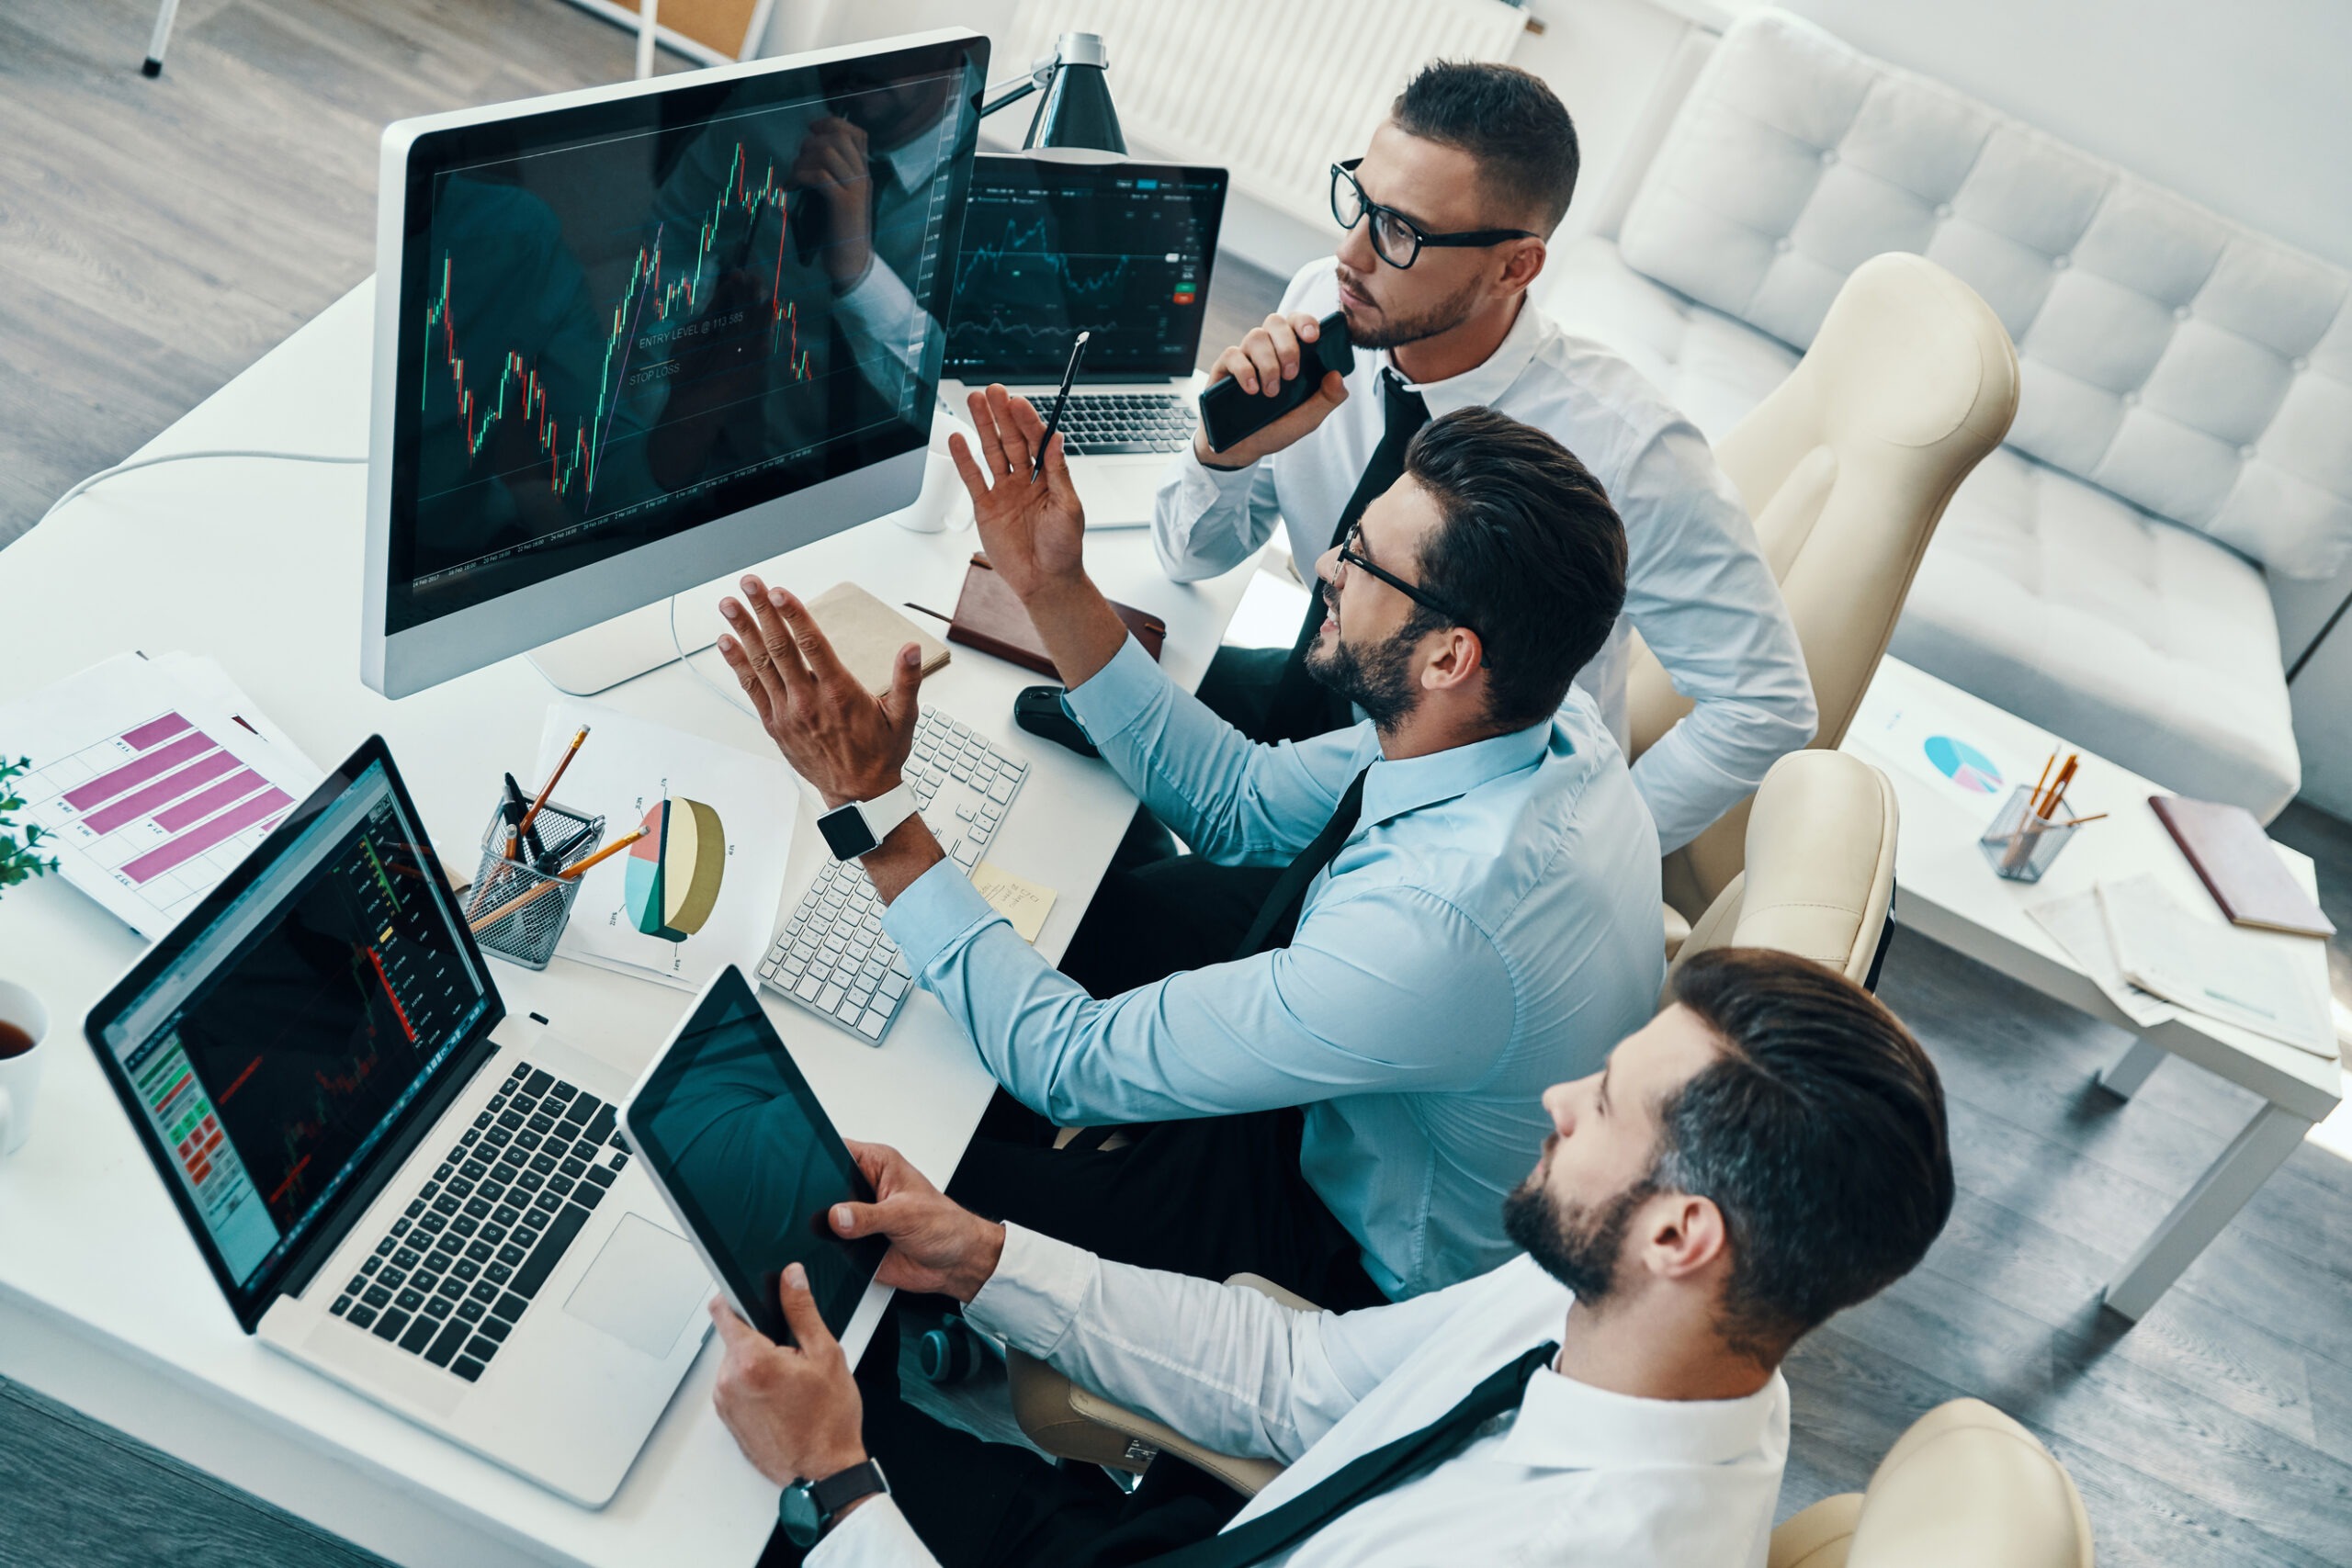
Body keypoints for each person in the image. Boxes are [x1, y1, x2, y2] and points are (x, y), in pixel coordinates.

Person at [712, 390, 1661, 1305]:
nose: (1328, 564)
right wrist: (1050, 585)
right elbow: (1237, 801)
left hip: (1339, 1250)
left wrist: (873, 807)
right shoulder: (1539, 720)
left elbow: (1070, 1062)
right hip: (1372, 1088)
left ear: (1449, 656)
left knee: (844, 1173)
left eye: (1364, 563)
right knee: (1088, 924)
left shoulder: (1433, 933)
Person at [707, 946, 1956, 1567]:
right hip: (1228, 1539)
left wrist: (835, 1490)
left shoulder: (1575, 1545)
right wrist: (990, 1257)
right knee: (795, 1377)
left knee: (734, 1493)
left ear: (1684, 1232)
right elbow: (1297, 1372)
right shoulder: (1621, 1298)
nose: (1564, 1094)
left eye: (1610, 1103)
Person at [1156, 61, 1816, 854]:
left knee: (1117, 914)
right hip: (1323, 689)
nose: (1350, 252)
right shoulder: (1325, 307)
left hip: (1460, 819)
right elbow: (1191, 558)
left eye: (1400, 230)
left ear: (1517, 266)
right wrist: (1218, 458)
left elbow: (1767, 702)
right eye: (1359, 200)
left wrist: (1580, 856)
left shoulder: (1631, 452)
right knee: (1077, 690)